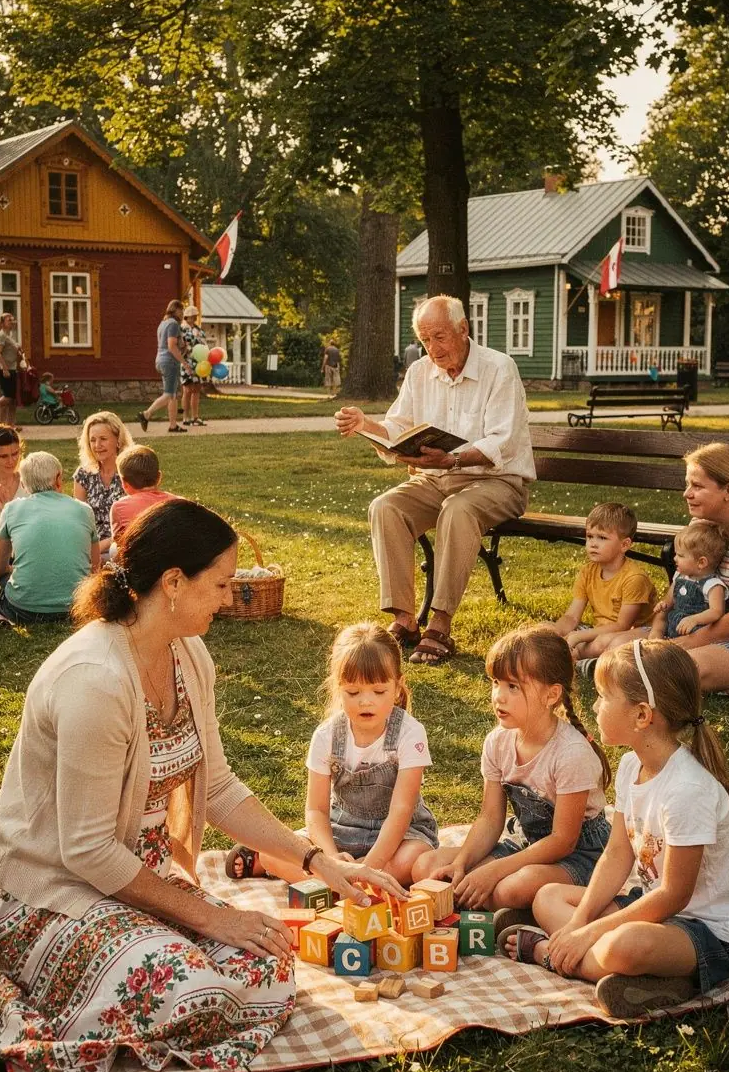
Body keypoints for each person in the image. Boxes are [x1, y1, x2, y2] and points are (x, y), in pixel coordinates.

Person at [0, 502, 404, 1072]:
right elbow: (86, 850)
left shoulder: (189, 653)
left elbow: (215, 786)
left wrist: (321, 862)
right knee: (184, 990)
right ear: (171, 583)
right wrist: (210, 919)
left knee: (267, 968)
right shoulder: (94, 680)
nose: (228, 597)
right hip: (48, 888)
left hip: (136, 875)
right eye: (219, 584)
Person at [502, 640, 729, 1020]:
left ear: (641, 716)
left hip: (710, 933)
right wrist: (578, 921)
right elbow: (616, 853)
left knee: (626, 943)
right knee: (547, 896)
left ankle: (548, 953)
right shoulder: (628, 768)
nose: (593, 705)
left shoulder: (688, 789)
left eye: (604, 696)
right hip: (651, 906)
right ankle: (647, 979)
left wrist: (589, 932)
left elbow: (673, 895)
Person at [335, 295, 535, 664]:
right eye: (425, 340)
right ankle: (405, 620)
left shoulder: (499, 368)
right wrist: (368, 425)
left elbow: (502, 442)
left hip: (499, 482)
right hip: (436, 479)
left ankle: (439, 625)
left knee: (458, 509)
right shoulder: (420, 372)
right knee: (386, 507)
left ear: (463, 329)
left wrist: (452, 459)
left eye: (440, 337)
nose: (433, 348)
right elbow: (397, 426)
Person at [412, 627, 610, 930]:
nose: (498, 696)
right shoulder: (498, 742)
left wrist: (494, 872)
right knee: (428, 865)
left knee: (511, 887)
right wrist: (462, 863)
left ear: (551, 695)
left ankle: (523, 908)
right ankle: (508, 910)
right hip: (526, 842)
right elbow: (491, 818)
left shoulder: (571, 753)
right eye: (495, 682)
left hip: (579, 854)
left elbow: (562, 841)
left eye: (513, 686)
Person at [236, 623, 439, 887]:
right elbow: (316, 810)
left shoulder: (410, 733)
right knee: (275, 851)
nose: (366, 701)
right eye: (353, 692)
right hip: (339, 832)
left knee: (413, 862)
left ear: (398, 687)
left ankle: (331, 885)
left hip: (399, 836)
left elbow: (401, 810)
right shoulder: (326, 735)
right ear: (338, 687)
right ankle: (280, 866)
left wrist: (369, 866)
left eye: (378, 691)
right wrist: (332, 862)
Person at [607, 443, 729, 691]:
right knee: (616, 647)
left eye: (697, 486)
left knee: (682, 670)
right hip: (694, 624)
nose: (686, 493)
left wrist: (688, 643)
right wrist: (660, 628)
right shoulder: (702, 523)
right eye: (687, 484)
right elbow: (680, 582)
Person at [0, 451, 100, 624]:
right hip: (77, 607)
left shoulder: (11, 509)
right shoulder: (84, 510)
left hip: (23, 610)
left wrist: (13, 569)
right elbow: (94, 566)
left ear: (24, 485)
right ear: (58, 479)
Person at [552, 503, 657, 662]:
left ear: (624, 545)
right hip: (600, 631)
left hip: (639, 632)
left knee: (604, 643)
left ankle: (581, 660)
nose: (593, 543)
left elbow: (622, 625)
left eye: (602, 537)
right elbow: (572, 617)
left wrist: (578, 636)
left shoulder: (634, 578)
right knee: (545, 628)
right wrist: (556, 634)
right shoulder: (588, 572)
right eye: (589, 536)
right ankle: (574, 654)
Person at [649, 521, 728, 641]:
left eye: (680, 555)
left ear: (701, 562)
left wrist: (694, 619)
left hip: (695, 634)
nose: (675, 558)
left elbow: (716, 612)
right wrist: (663, 605)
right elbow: (668, 602)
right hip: (673, 628)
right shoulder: (680, 577)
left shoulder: (712, 585)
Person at [73, 411, 133, 554]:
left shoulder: (130, 472)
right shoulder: (83, 475)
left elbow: (136, 521)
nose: (97, 445)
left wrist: (105, 545)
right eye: (92, 440)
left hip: (124, 545)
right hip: (90, 547)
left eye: (103, 439)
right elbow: (79, 521)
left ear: (118, 440)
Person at [110, 445, 180, 542]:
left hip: (140, 555)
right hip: (175, 553)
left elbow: (118, 542)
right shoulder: (179, 502)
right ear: (159, 477)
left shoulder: (120, 507)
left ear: (124, 483)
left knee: (113, 549)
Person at [138, 299, 188, 434]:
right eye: (181, 310)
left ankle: (173, 425)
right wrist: (185, 363)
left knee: (172, 396)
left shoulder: (163, 323)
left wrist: (183, 347)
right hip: (169, 362)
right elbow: (171, 346)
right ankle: (146, 414)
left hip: (160, 360)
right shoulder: (173, 325)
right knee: (168, 395)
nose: (183, 313)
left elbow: (169, 345)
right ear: (175, 310)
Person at [180, 304, 208, 427]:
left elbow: (204, 343)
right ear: (187, 316)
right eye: (193, 316)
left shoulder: (199, 329)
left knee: (196, 389)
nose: (195, 318)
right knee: (187, 390)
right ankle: (186, 417)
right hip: (186, 362)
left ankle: (195, 417)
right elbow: (180, 345)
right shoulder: (182, 329)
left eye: (196, 315)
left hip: (198, 363)